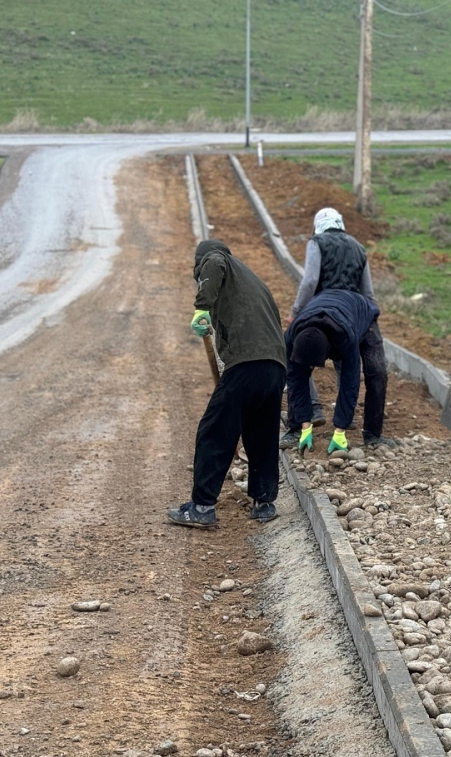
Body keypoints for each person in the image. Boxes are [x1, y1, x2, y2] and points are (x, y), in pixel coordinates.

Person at [168, 239, 285, 528]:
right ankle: (264, 503)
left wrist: (202, 307)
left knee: (214, 431)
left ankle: (202, 507)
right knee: (262, 433)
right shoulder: (252, 281)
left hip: (247, 363)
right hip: (275, 366)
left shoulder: (217, 260)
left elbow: (214, 261)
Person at [281, 207, 376, 442]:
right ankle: (312, 420)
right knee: (331, 365)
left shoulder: (317, 242)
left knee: (311, 362)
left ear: (317, 226)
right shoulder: (358, 246)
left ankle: (318, 415)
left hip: (340, 319)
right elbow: (368, 291)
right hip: (347, 314)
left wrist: (296, 311)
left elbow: (310, 280)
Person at [284, 287, 393, 453]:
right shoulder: (290, 337)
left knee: (377, 371)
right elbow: (295, 380)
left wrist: (340, 430)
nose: (311, 369)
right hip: (326, 302)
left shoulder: (345, 337)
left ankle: (372, 435)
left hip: (360, 311)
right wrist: (305, 425)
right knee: (296, 373)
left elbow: (350, 382)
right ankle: (296, 429)